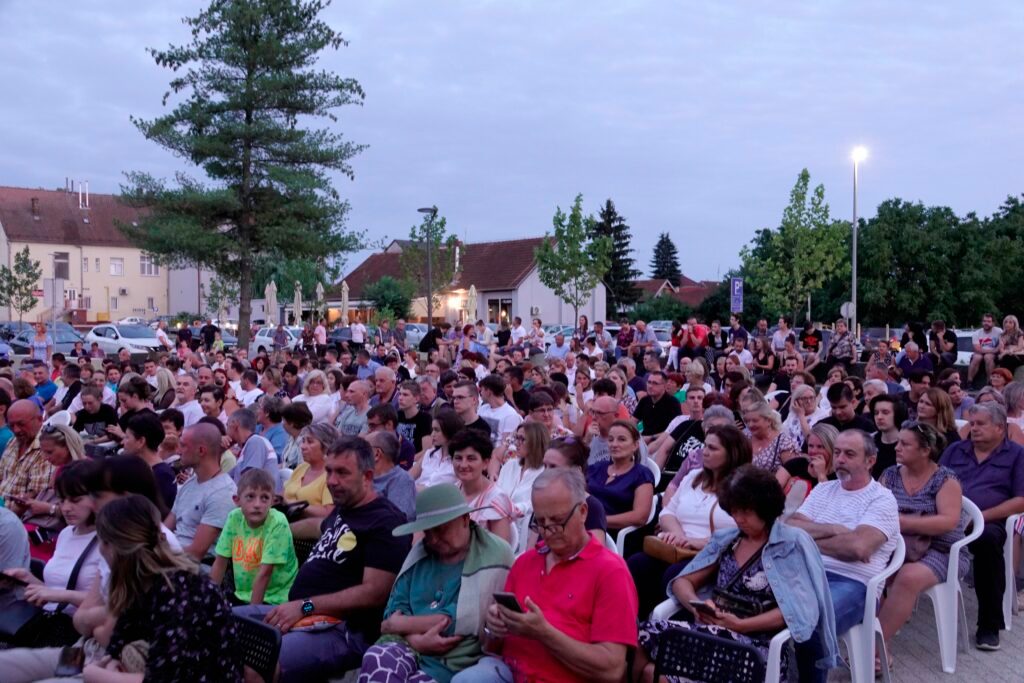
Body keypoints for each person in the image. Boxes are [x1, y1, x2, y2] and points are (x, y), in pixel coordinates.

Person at [634, 466, 838, 683]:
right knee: (641, 638)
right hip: (711, 631)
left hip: (757, 645)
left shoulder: (791, 544)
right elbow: (682, 581)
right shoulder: (728, 540)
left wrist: (739, 625)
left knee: (658, 671)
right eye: (734, 511)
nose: (738, 518)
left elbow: (797, 610)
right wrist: (698, 605)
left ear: (765, 508)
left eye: (745, 511)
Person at [235, 435, 411, 681]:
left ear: (368, 477)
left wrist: (304, 606)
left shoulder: (386, 522)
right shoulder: (346, 506)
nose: (331, 481)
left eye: (342, 473)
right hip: (296, 613)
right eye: (328, 471)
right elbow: (320, 526)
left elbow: (375, 592)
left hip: (342, 630)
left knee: (259, 663)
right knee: (218, 625)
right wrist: (275, 528)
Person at [452, 469, 638, 683]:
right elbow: (492, 648)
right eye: (541, 522)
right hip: (507, 672)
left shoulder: (610, 572)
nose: (548, 531)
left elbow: (612, 669)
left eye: (558, 521)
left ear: (583, 512)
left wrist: (544, 633)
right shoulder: (525, 563)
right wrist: (494, 627)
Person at [358, 483, 514, 683]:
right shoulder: (420, 554)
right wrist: (415, 641)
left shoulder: (494, 555)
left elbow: (461, 618)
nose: (432, 539)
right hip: (405, 644)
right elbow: (396, 605)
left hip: (456, 658)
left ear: (465, 519)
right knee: (376, 659)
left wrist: (398, 624)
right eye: (427, 532)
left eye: (440, 530)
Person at [91, 495, 243, 681]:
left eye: (102, 541)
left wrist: (96, 674)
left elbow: (164, 679)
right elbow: (116, 644)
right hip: (130, 670)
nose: (100, 549)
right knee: (56, 666)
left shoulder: (183, 590)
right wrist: (111, 665)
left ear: (113, 547)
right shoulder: (141, 583)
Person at [787, 430, 900, 679]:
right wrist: (835, 530)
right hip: (803, 571)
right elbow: (789, 527)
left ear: (870, 461)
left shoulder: (882, 499)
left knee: (812, 622)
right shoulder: (824, 490)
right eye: (837, 452)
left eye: (849, 454)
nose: (839, 459)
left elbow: (858, 548)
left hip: (853, 583)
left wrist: (809, 539)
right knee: (751, 606)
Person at [628, 423, 751, 617]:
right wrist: (677, 534)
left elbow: (741, 535)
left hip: (710, 555)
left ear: (731, 453)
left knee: (673, 575)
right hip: (676, 547)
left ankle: (666, 625)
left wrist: (696, 542)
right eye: (705, 445)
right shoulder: (694, 477)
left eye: (712, 448)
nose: (704, 452)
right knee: (637, 563)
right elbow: (668, 511)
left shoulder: (743, 490)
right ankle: (638, 622)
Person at [877, 421, 967, 664]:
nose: (897, 448)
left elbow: (948, 522)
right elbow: (876, 510)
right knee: (869, 571)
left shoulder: (945, 479)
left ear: (925, 450)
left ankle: (871, 647)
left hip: (942, 550)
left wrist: (902, 522)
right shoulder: (890, 475)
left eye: (905, 444)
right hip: (898, 546)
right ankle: (882, 647)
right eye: (898, 442)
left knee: (907, 576)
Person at [940, 402, 1024, 650]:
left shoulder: (1017, 455)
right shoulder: (955, 450)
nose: (973, 429)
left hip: (989, 522)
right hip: (947, 518)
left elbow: (1021, 501)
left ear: (1000, 428)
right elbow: (936, 481)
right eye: (971, 423)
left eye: (980, 424)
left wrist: (978, 517)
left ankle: (988, 625)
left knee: (988, 542)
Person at [211, 468, 299, 606]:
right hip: (242, 595)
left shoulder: (278, 522)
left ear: (273, 501)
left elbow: (265, 574)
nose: (257, 505)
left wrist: (251, 615)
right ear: (237, 500)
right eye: (250, 496)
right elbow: (220, 562)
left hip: (276, 598)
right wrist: (210, 600)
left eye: (264, 498)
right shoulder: (234, 517)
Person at [167, 422, 238, 560]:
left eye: (183, 445)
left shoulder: (223, 493)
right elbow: (165, 527)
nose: (178, 450)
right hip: (172, 559)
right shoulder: (189, 484)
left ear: (201, 451)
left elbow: (196, 552)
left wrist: (154, 555)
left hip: (194, 571)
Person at [450, 428, 518, 546]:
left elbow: (500, 551)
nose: (463, 465)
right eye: (458, 458)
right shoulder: (452, 492)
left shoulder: (495, 500)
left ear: (486, 463)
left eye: (471, 458)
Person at [585, 420, 654, 535]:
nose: (614, 444)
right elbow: (579, 497)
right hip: (585, 529)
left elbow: (640, 517)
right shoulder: (596, 468)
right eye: (611, 439)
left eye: (622, 439)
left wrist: (599, 520)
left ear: (635, 445)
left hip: (616, 534)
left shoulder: (641, 474)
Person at [0, 400, 49, 517]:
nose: (16, 430)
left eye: (21, 424)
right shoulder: (13, 441)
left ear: (39, 420)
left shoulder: (47, 449)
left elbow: (32, 499)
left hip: (13, 519)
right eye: (11, 425)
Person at [495, 421, 548, 529]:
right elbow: (497, 493)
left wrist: (517, 508)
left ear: (535, 442)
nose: (517, 443)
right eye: (516, 438)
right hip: (499, 525)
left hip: (524, 532)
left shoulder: (544, 473)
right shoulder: (510, 465)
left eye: (522, 439)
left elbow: (534, 505)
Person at [122, 411, 177, 510]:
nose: (123, 442)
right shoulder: (137, 468)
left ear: (141, 442)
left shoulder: (162, 476)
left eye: (127, 437)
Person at [282, 423, 338, 519]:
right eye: (303, 441)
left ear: (326, 447)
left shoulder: (331, 475)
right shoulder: (301, 468)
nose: (303, 446)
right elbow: (284, 494)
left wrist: (297, 505)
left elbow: (329, 513)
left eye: (310, 442)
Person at [226, 407, 281, 492]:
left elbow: (251, 482)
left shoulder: (255, 442)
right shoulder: (246, 446)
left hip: (262, 502)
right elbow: (225, 480)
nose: (226, 431)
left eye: (227, 425)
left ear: (235, 425)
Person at [367, 430, 417, 521]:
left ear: (377, 454)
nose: (358, 453)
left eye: (364, 448)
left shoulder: (401, 480)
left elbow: (397, 520)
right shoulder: (364, 477)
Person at [743, 399, 799, 477]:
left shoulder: (783, 442)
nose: (750, 425)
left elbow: (793, 473)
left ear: (768, 421)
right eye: (747, 421)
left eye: (755, 421)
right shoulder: (745, 438)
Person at [633, 370, 682, 440]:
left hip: (662, 440)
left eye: (655, 383)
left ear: (664, 386)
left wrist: (650, 438)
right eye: (649, 382)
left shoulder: (673, 403)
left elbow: (675, 429)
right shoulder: (644, 400)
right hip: (643, 438)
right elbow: (633, 421)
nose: (650, 386)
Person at [871, 394, 909, 478]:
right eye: (876, 413)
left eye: (885, 412)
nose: (879, 417)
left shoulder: (908, 444)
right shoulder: (868, 441)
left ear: (898, 414)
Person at [969, 313, 1003, 388]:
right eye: (984, 321)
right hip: (981, 352)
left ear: (993, 323)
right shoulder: (976, 333)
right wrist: (993, 351)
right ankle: (969, 382)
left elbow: (1001, 344)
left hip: (992, 354)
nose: (986, 323)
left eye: (988, 321)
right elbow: (977, 349)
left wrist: (994, 351)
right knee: (977, 357)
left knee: (988, 357)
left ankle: (989, 382)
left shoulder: (999, 331)